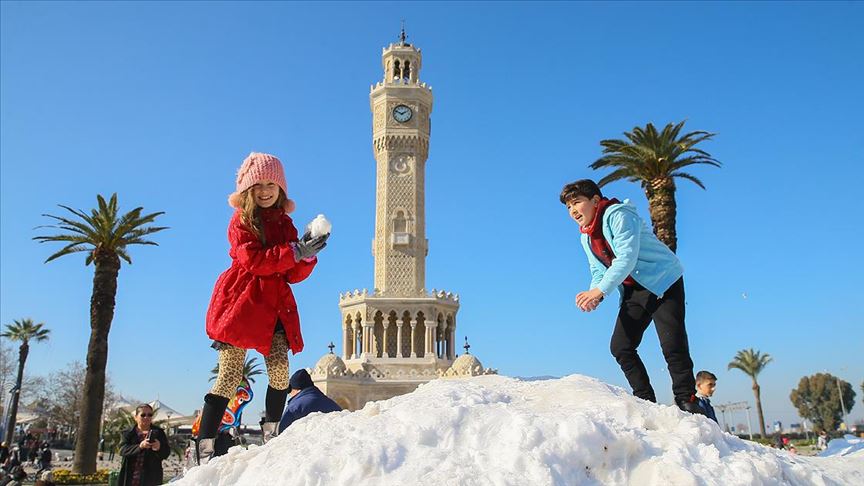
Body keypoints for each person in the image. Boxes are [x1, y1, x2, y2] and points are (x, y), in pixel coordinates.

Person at [192, 152, 329, 465]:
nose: (265, 190)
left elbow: (291, 274)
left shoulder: (285, 224)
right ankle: (205, 446)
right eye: (258, 185)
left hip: (275, 306)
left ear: (281, 189)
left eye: (271, 184)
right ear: (247, 190)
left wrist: (306, 255)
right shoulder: (240, 221)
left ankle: (272, 434)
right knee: (229, 376)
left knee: (280, 373)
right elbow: (254, 261)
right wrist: (294, 251)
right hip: (241, 304)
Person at [561, 179, 703, 414]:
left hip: (663, 281)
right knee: (621, 347)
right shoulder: (585, 237)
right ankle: (644, 400)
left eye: (577, 202)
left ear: (595, 201)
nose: (573, 210)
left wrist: (600, 290)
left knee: (672, 344)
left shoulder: (619, 215)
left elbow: (626, 258)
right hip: (634, 290)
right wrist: (595, 295)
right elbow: (598, 270)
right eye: (568, 207)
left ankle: (686, 399)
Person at [118, 404, 170, 486]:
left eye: (150, 415)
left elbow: (166, 453)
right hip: (130, 477)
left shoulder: (159, 433)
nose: (146, 417)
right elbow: (122, 450)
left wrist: (159, 447)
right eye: (143, 415)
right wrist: (140, 446)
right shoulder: (128, 433)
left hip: (151, 478)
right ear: (135, 417)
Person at [277, 369, 342, 434]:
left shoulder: (293, 408)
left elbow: (281, 434)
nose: (289, 395)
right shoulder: (334, 406)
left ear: (297, 389)